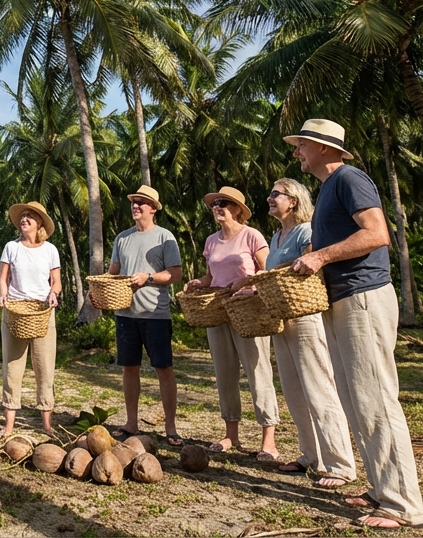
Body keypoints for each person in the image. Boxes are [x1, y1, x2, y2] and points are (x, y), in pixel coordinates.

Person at [286, 119, 423, 530]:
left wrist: (321, 257)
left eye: (302, 145)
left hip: (363, 297)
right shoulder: (328, 188)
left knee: (376, 400)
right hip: (343, 299)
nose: (297, 152)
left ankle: (403, 505)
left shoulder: (349, 178)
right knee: (354, 400)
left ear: (325, 148)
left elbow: (377, 234)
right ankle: (381, 489)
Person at [264, 178, 356, 489]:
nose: (269, 198)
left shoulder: (306, 230)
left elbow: (310, 263)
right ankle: (310, 455)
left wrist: (270, 276)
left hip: (306, 316)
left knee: (319, 388)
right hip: (283, 318)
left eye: (276, 194)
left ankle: (340, 464)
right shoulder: (276, 236)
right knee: (293, 390)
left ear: (293, 200)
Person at [183, 186, 280, 460]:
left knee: (258, 371)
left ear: (238, 209)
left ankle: (268, 439)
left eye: (224, 203)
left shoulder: (252, 236)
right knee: (225, 373)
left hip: (248, 310)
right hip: (217, 310)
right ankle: (231, 434)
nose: (218, 207)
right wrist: (198, 283)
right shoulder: (212, 241)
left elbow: (267, 270)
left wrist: (246, 283)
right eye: (215, 203)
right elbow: (211, 277)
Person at [93, 185, 183, 446]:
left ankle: (171, 427)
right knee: (129, 368)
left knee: (163, 368)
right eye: (133, 202)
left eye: (141, 202)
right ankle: (131, 423)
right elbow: (113, 273)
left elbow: (175, 274)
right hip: (125, 314)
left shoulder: (165, 237)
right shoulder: (122, 238)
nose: (135, 206)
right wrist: (98, 291)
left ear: (153, 209)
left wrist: (149, 277)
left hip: (156, 314)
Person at [0, 201, 62, 438]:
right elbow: (3, 278)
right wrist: (3, 295)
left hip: (43, 314)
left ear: (39, 224)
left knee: (45, 369)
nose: (23, 219)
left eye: (29, 217)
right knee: (12, 369)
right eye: (22, 216)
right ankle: (9, 425)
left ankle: (46, 425)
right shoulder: (11, 248)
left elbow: (56, 281)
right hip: (15, 313)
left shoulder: (50, 250)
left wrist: (54, 295)